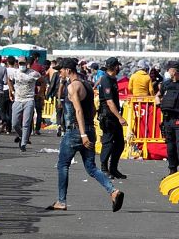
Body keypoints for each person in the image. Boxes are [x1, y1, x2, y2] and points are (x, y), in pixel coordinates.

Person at [46, 58, 125, 212]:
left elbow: (78, 111)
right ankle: (113, 191)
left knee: (63, 165)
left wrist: (82, 134)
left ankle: (61, 201)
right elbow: (92, 109)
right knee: (91, 167)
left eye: (61, 70)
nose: (60, 73)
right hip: (89, 129)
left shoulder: (73, 87)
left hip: (76, 131)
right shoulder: (87, 85)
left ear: (68, 71)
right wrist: (87, 130)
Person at [98, 57, 128, 179]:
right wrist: (120, 117)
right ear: (115, 66)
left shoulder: (113, 79)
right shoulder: (106, 79)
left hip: (113, 115)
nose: (119, 68)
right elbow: (110, 102)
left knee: (120, 143)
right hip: (108, 115)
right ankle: (104, 168)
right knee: (108, 143)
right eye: (118, 66)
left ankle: (113, 168)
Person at [8, 57, 42, 152]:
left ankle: (23, 144)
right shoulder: (15, 73)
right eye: (20, 63)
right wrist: (11, 91)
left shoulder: (33, 73)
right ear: (17, 64)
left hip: (29, 99)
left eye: (23, 63)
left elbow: (42, 81)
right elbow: (9, 80)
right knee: (14, 123)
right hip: (18, 99)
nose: (22, 65)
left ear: (27, 63)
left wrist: (40, 93)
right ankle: (22, 135)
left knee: (26, 123)